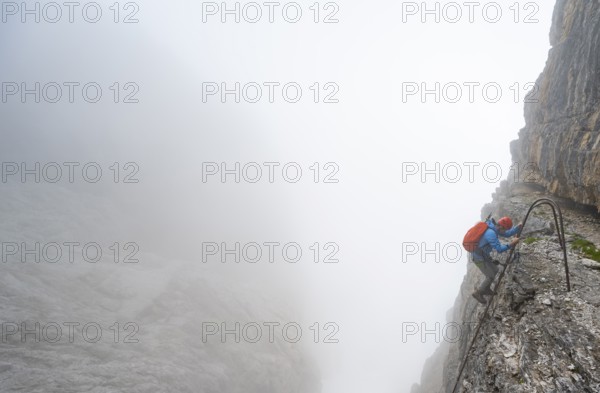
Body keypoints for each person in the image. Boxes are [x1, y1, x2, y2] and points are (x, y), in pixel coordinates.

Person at [471, 216, 521, 304]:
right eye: (504, 229)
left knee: (496, 269)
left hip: (483, 256)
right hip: (478, 259)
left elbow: (507, 233)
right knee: (490, 275)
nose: (505, 231)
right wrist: (511, 244)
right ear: (501, 226)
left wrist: (517, 228)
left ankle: (486, 289)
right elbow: (499, 249)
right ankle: (478, 292)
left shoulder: (494, 228)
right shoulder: (490, 233)